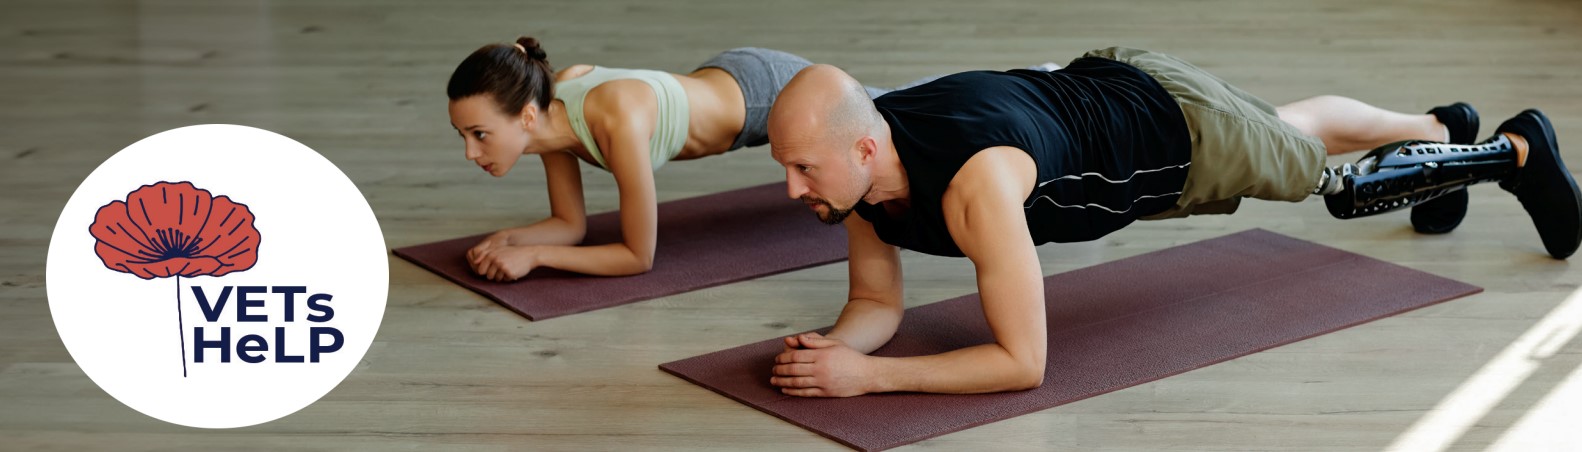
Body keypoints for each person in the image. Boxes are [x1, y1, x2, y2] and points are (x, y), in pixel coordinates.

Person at [761, 46, 1581, 397]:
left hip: (1176, 132)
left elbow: (1023, 361)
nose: (794, 189)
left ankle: (1514, 150)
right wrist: (842, 347)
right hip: (1104, 86)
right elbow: (877, 303)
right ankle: (1441, 130)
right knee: (1294, 123)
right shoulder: (861, 171)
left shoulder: (976, 186)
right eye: (787, 168)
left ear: (866, 146)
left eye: (805, 168)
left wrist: (875, 378)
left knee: (1317, 169)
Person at [446, 38, 869, 280]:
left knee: (891, 113)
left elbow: (637, 256)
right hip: (728, 75)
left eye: (480, 134)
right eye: (463, 135)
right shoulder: (545, 119)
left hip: (763, 94)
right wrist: (511, 241)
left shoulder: (615, 120)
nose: (470, 152)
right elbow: (570, 226)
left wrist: (536, 257)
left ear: (524, 116)